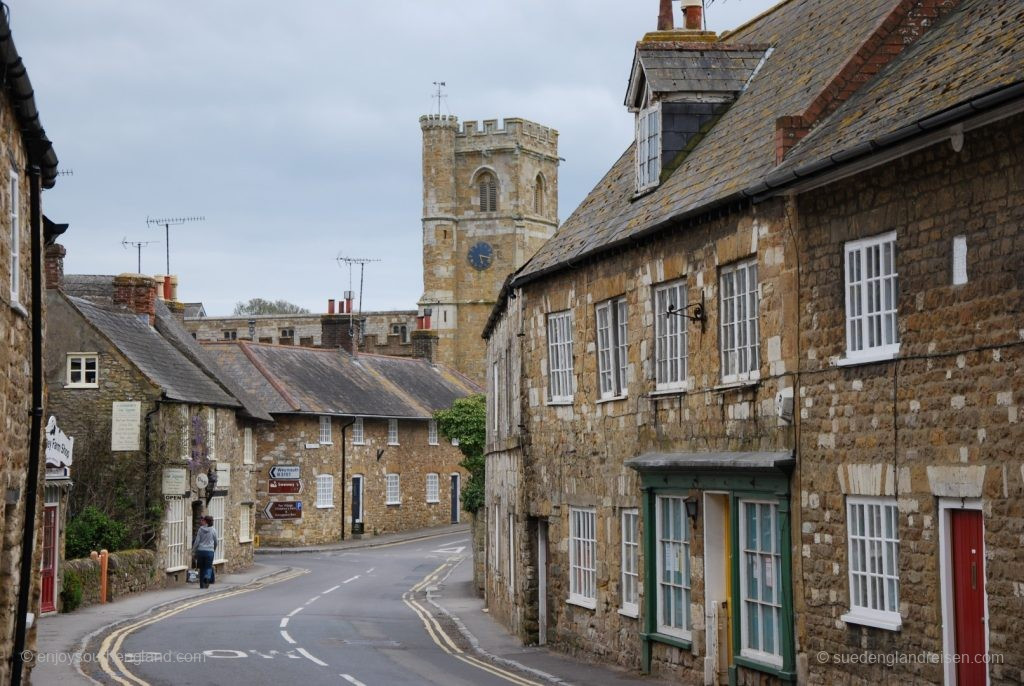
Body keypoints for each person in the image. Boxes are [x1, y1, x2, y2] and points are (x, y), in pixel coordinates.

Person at [191, 515, 218, 589]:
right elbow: (215, 541)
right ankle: (207, 577)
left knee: (202, 568)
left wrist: (193, 550)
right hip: (210, 551)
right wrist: (214, 549)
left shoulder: (200, 529)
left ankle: (202, 585)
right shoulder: (213, 530)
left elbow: (197, 541)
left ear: (205, 521)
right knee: (208, 567)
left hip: (201, 551)